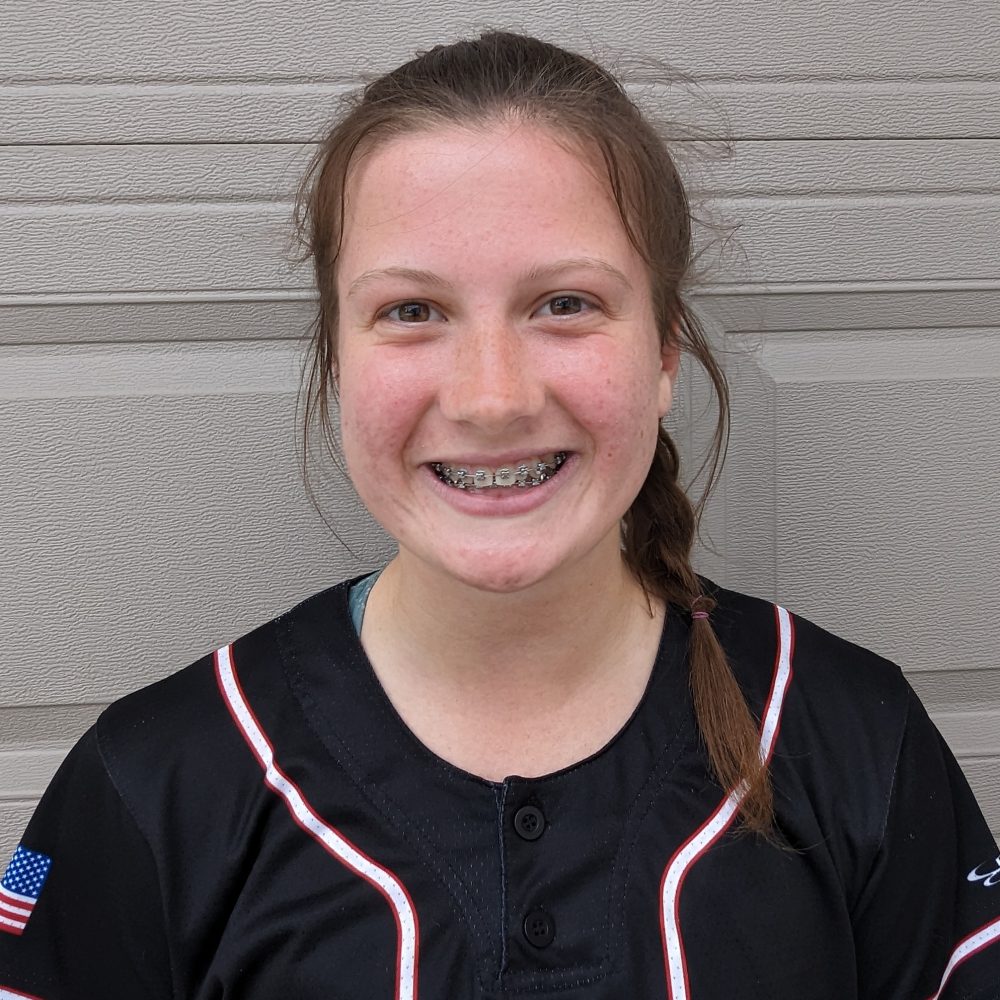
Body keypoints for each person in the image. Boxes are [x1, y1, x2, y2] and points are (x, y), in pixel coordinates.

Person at [1, 30, 998, 1000]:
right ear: (337, 360)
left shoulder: (857, 738)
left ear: (663, 354)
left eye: (564, 303)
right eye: (412, 311)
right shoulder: (152, 783)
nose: (492, 398)